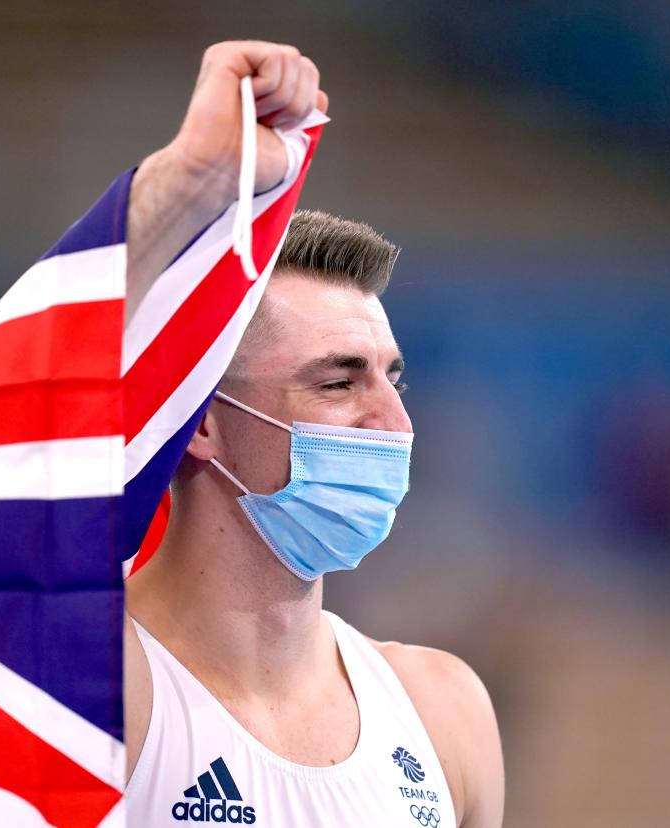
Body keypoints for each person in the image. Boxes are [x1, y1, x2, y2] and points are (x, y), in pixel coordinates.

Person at [123, 41, 505, 827]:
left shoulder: (445, 713)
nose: (394, 424)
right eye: (338, 382)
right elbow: (26, 420)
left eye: (392, 379)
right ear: (200, 422)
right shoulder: (99, 690)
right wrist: (185, 187)